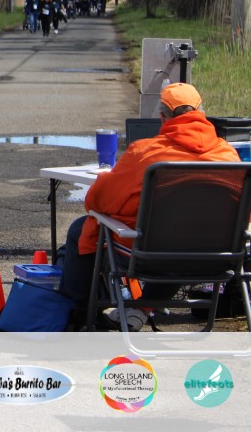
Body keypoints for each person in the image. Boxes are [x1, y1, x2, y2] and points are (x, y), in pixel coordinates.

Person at [57, 83, 240, 329]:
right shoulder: (228, 155)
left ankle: (77, 318)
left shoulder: (145, 153)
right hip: (216, 256)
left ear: (163, 118)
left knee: (80, 229)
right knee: (185, 239)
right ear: (202, 114)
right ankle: (141, 308)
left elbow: (97, 202)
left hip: (150, 254)